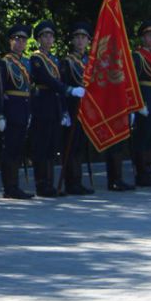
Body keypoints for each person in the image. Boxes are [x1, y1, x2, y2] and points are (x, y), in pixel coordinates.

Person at [29, 20, 82, 197]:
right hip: (42, 105)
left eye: (50, 36)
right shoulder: (36, 58)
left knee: (52, 147)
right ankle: (42, 185)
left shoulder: (54, 59)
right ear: (39, 39)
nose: (48, 39)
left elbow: (59, 83)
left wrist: (65, 110)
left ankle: (51, 184)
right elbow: (48, 80)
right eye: (44, 36)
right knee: (42, 147)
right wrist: (69, 90)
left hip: (54, 105)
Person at [0, 24, 34, 199]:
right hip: (11, 109)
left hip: (23, 109)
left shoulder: (26, 63)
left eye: (23, 40)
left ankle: (15, 185)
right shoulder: (5, 62)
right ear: (10, 42)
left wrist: (30, 111)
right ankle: (9, 187)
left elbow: (29, 89)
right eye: (17, 39)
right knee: (10, 150)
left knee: (18, 149)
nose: (20, 43)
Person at [60, 22, 95, 195]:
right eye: (77, 37)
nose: (80, 41)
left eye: (84, 38)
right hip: (73, 106)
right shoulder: (67, 62)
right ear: (73, 41)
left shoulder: (90, 62)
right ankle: (71, 182)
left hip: (87, 108)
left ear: (88, 41)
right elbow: (63, 86)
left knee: (81, 145)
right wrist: (64, 110)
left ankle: (78, 181)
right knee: (71, 145)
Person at [132, 20, 151, 187]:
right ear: (143, 37)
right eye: (149, 35)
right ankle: (142, 173)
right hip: (145, 100)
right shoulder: (137, 56)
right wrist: (138, 103)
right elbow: (133, 81)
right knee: (143, 138)